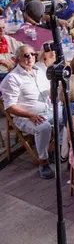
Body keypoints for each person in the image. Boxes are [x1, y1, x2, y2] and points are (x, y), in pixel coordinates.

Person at [0, 45, 62, 178]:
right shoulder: (12, 79)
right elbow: (10, 107)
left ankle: (56, 149)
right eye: (26, 55)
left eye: (32, 54)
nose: (31, 58)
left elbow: (50, 92)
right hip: (24, 117)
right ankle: (43, 162)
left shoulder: (39, 71)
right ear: (17, 59)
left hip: (48, 109)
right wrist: (30, 115)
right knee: (43, 127)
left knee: (69, 115)